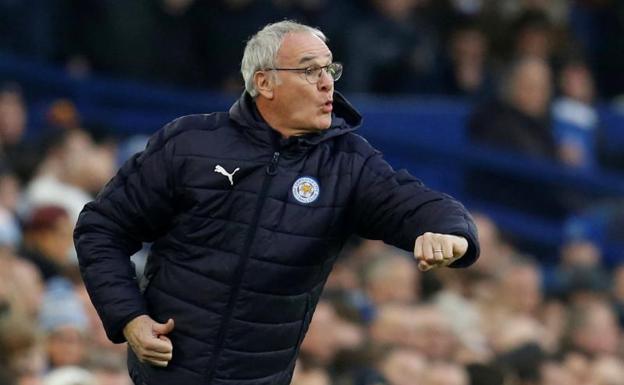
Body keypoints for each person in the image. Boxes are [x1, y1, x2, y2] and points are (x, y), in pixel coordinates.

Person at [74, 20, 480, 385]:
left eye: (330, 69)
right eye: (309, 70)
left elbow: (416, 204)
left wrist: (452, 233)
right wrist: (130, 318)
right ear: (264, 83)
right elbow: (102, 228)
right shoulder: (190, 144)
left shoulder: (348, 164)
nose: (327, 84)